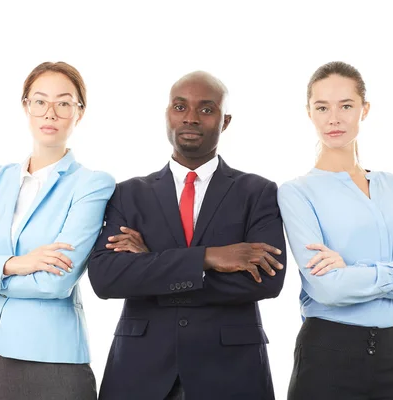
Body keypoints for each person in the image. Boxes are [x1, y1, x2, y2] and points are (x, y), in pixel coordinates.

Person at [87, 71, 286, 400]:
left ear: (225, 121)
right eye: (180, 107)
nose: (191, 118)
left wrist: (150, 265)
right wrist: (208, 258)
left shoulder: (258, 192)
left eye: (206, 109)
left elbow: (267, 281)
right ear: (167, 115)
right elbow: (106, 278)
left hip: (231, 372)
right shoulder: (127, 193)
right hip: (140, 372)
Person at [0, 61, 115, 400]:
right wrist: (16, 263)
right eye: (40, 101)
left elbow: (56, 281)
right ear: (25, 107)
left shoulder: (91, 184)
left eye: (63, 103)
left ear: (80, 113)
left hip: (54, 360)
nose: (50, 113)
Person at [278, 61, 393, 400]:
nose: (333, 118)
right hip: (327, 356)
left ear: (364, 110)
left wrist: (353, 273)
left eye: (346, 106)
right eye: (322, 107)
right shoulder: (296, 192)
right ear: (309, 112)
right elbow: (329, 290)